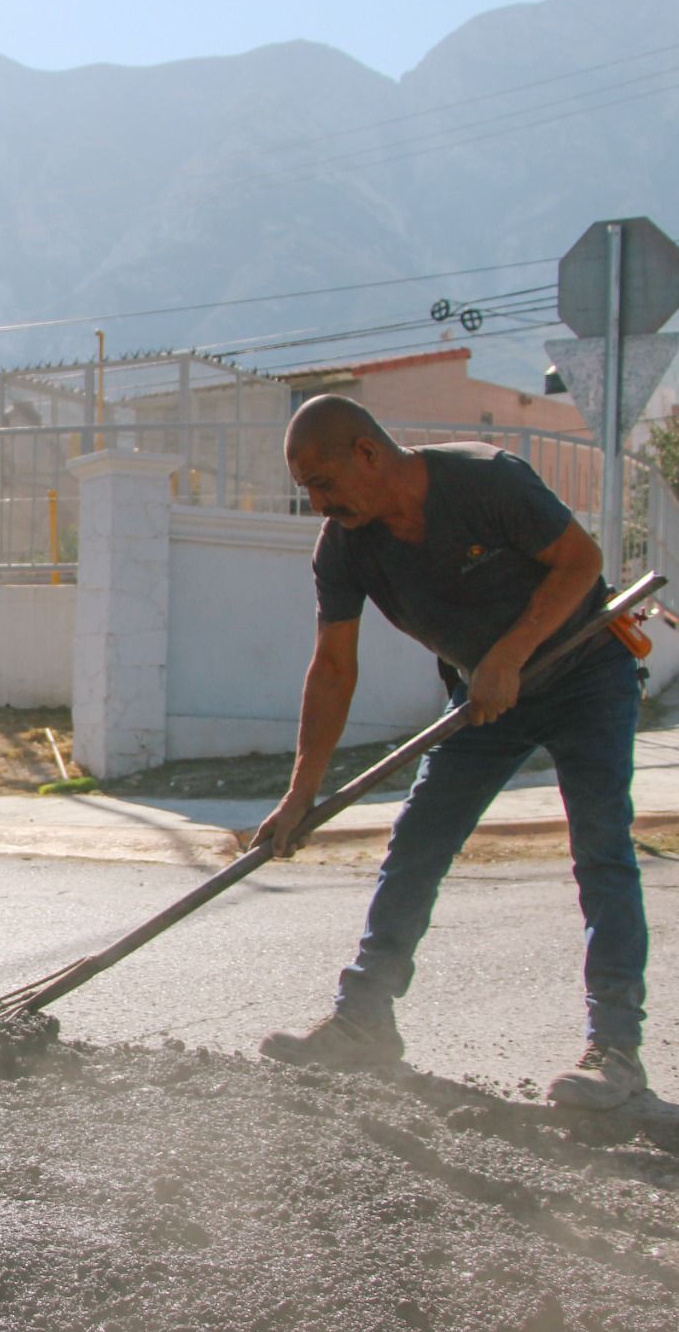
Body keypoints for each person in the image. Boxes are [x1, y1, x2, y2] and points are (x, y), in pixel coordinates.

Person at [252, 394, 650, 1109]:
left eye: (323, 484)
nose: (317, 505)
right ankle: (364, 1021)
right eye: (306, 489)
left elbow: (580, 562)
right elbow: (333, 667)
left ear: (368, 453)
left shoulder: (486, 480)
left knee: (601, 849)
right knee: (418, 842)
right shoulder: (344, 547)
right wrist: (300, 793)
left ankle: (615, 1051)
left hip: (586, 673)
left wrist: (510, 654)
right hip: (485, 699)